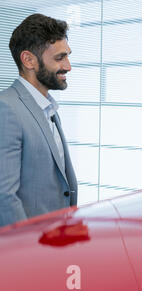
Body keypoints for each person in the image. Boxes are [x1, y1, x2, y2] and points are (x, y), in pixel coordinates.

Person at [0, 14, 77, 227]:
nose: (68, 66)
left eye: (67, 56)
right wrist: (27, 251)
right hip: (29, 248)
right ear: (29, 60)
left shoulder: (49, 108)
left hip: (56, 240)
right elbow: (4, 195)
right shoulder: (6, 108)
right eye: (59, 58)